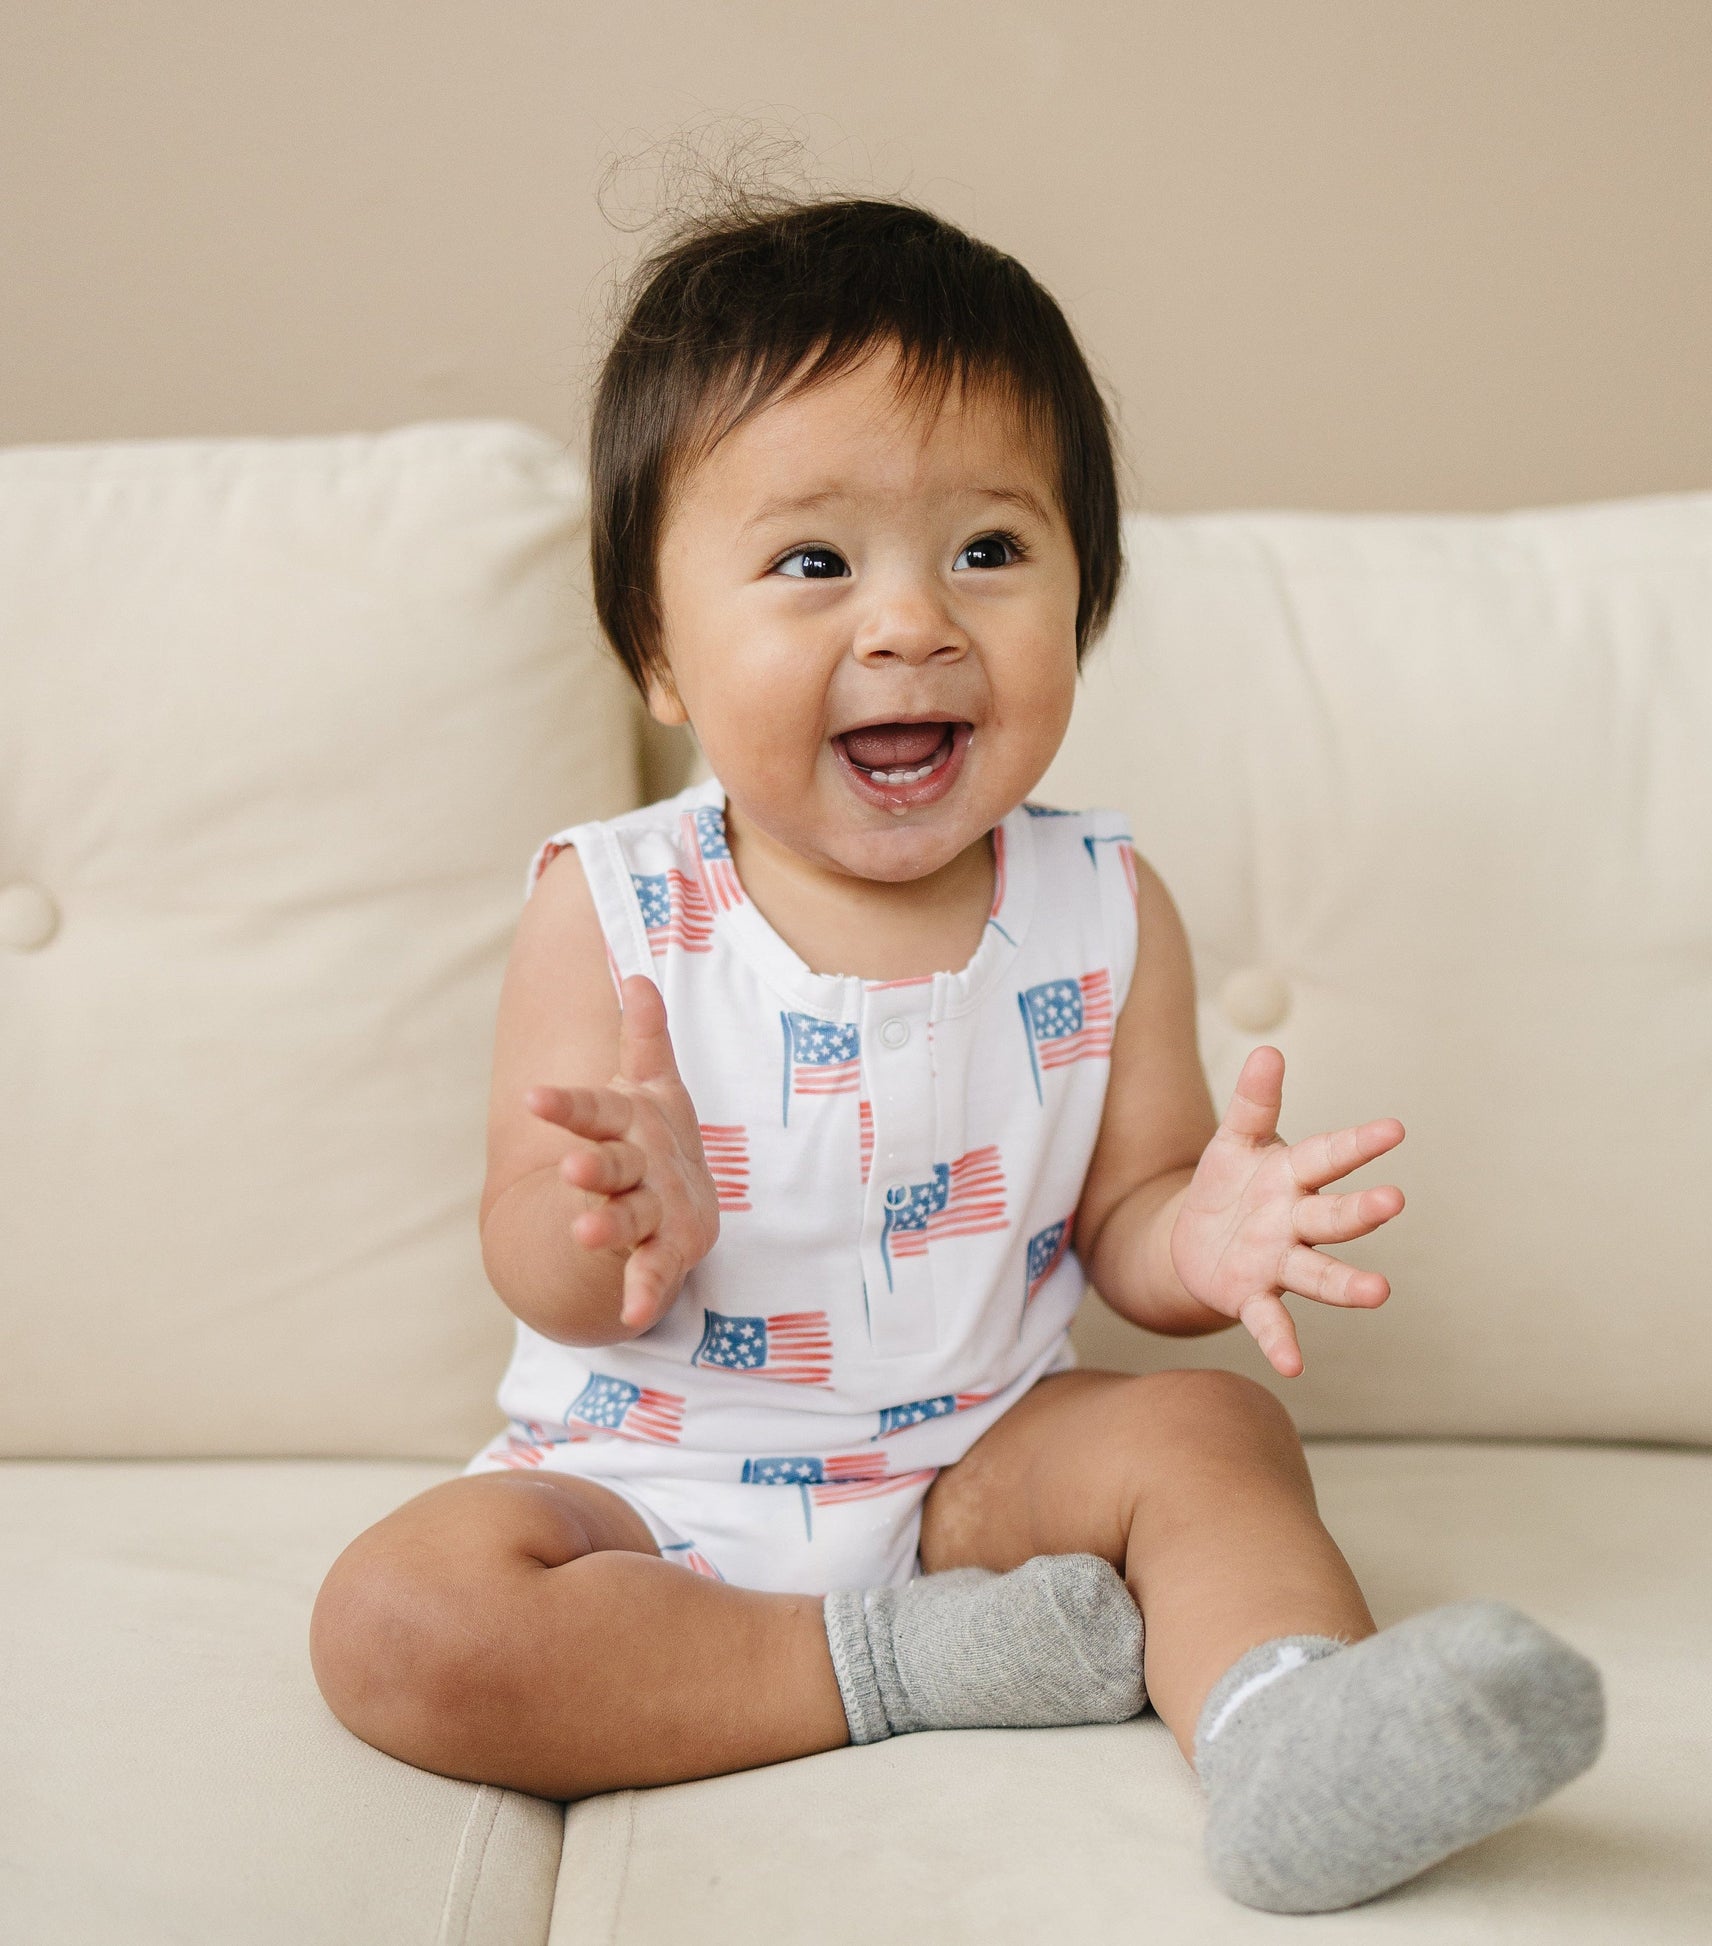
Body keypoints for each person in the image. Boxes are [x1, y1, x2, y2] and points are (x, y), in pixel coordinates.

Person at [311, 193, 1602, 1914]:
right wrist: (619, 1210)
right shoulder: (612, 907)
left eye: (988, 550)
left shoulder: (1099, 901)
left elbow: (1127, 1217)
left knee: (1207, 1434)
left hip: (974, 1469)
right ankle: (905, 1666)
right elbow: (539, 1273)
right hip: (650, 1489)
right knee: (398, 1621)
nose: (913, 621)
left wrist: (1201, 1239)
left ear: (1086, 595)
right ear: (657, 649)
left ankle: (1285, 1732)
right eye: (814, 561)